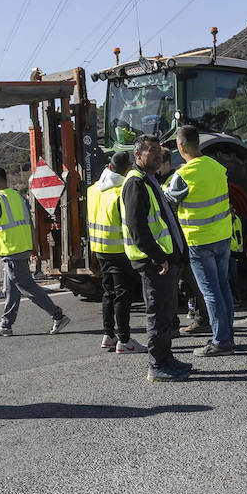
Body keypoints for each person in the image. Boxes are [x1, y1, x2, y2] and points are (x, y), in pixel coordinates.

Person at [121, 135, 192, 381]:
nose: (157, 154)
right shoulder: (136, 183)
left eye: (158, 150)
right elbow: (136, 227)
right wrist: (158, 257)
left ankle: (166, 359)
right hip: (153, 262)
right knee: (157, 314)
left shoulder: (151, 180)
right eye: (150, 150)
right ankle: (157, 366)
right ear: (137, 155)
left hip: (164, 260)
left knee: (165, 313)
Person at [164, 126, 235, 358]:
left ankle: (221, 341)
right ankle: (226, 335)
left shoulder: (183, 175)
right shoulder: (217, 167)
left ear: (180, 146)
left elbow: (167, 201)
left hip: (199, 239)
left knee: (211, 292)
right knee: (223, 288)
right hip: (223, 236)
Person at [0, 167, 71, 337]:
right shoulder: (19, 197)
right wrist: (34, 247)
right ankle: (6, 325)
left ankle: (58, 315)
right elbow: (30, 223)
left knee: (27, 287)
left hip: (11, 251)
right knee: (10, 290)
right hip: (22, 248)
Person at [87, 151, 143, 354]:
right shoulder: (123, 190)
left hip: (100, 249)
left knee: (108, 293)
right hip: (120, 250)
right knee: (123, 295)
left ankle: (108, 335)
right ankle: (125, 340)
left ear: (109, 166)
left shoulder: (93, 189)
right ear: (128, 169)